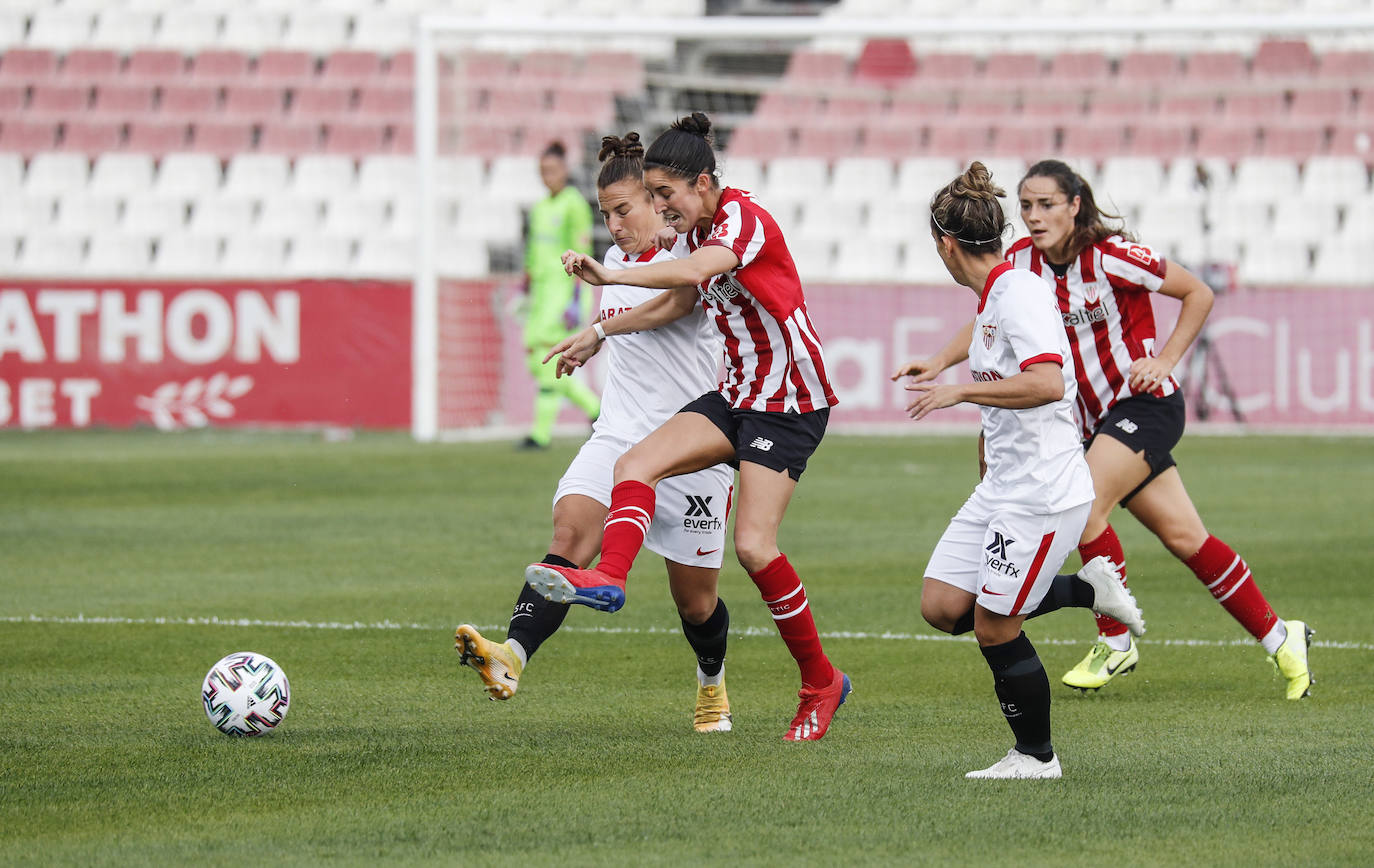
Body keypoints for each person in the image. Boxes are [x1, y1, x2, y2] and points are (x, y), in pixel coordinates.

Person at [909, 158, 1314, 700]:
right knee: (1185, 537)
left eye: (1047, 204)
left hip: (1142, 405)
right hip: (1090, 423)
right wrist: (941, 360)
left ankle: (1116, 639)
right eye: (1026, 205)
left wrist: (1166, 360)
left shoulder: (1113, 256)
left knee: (1085, 501)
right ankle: (1282, 636)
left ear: (1076, 205)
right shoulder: (1021, 265)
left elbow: (1198, 293)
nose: (1033, 216)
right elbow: (991, 314)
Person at [526, 112, 851, 742]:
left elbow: (693, 274)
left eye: (664, 196)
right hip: (735, 392)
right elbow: (677, 300)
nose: (658, 209)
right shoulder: (693, 229)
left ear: (702, 183)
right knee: (633, 464)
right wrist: (599, 331)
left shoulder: (742, 221)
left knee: (756, 547)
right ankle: (609, 578)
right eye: (651, 197)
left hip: (787, 401)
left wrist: (612, 274)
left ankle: (821, 682)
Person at [456, 132, 736, 733]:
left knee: (696, 603)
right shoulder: (609, 269)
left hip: (691, 449)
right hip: (617, 438)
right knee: (569, 536)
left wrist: (600, 332)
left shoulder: (691, 253)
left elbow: (682, 303)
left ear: (659, 205)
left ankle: (711, 683)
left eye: (624, 210)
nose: (613, 224)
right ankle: (512, 656)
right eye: (605, 213)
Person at [897, 161, 1144, 779]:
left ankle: (1036, 757)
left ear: (946, 245)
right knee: (943, 606)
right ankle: (1090, 590)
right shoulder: (996, 292)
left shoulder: (1020, 292)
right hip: (1002, 488)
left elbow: (1046, 381)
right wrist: (941, 364)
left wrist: (959, 393)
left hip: (1041, 492)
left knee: (993, 626)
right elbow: (991, 349)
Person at [518, 140, 600, 450]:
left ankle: (540, 434)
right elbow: (533, 251)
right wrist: (527, 277)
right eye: (542, 171)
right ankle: (595, 409)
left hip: (563, 293)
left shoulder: (574, 204)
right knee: (538, 358)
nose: (546, 176)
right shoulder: (540, 208)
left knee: (546, 353)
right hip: (541, 293)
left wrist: (578, 299)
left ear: (564, 170)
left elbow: (583, 252)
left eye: (551, 170)